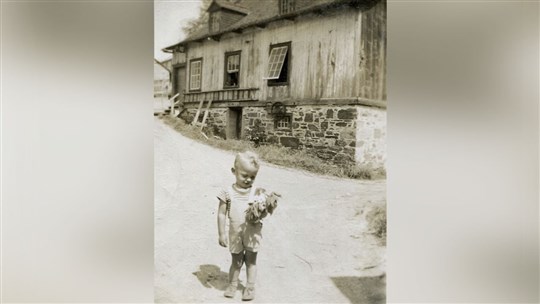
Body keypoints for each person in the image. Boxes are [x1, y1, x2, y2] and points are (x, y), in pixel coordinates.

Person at [217, 151, 263, 301]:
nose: (248, 179)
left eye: (252, 177)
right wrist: (221, 233)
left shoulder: (257, 193)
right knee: (236, 261)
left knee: (251, 261)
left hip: (252, 233)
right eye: (244, 175)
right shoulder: (227, 192)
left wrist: (264, 210)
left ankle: (249, 287)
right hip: (235, 234)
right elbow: (222, 214)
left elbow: (263, 213)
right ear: (234, 171)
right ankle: (232, 284)